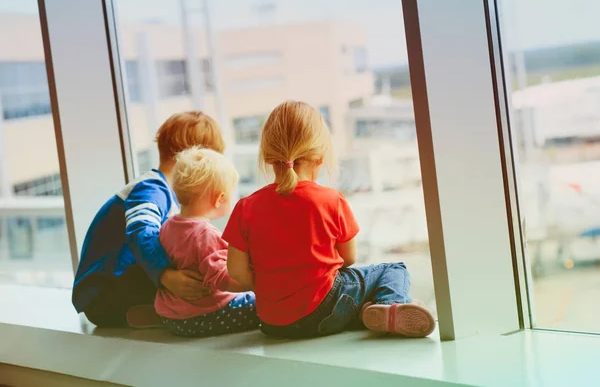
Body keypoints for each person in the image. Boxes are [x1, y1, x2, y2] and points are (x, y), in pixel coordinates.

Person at [223, 100, 435, 339]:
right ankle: (389, 306)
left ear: (269, 156)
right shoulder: (330, 199)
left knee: (345, 297)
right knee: (393, 269)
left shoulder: (245, 207)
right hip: (325, 311)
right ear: (320, 156)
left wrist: (276, 285)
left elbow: (237, 272)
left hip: (274, 324)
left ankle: (368, 312)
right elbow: (348, 258)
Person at [72, 111, 225, 328]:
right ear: (198, 158)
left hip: (112, 291)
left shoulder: (164, 192)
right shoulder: (151, 189)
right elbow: (142, 230)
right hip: (104, 295)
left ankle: (160, 312)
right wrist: (166, 276)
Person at [155, 147, 259, 337]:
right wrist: (258, 284)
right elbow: (224, 280)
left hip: (171, 317)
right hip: (204, 316)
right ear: (220, 199)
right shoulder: (204, 234)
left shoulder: (168, 226)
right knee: (263, 305)